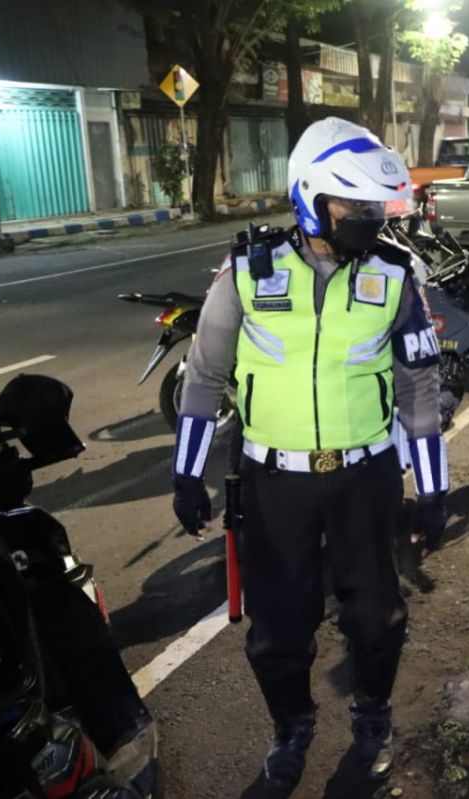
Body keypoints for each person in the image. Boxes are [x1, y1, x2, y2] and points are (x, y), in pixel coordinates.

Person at [170, 118, 448, 794]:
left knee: (377, 617)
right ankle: (291, 726)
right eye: (353, 207)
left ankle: (373, 713)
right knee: (279, 629)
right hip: (275, 485)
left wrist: (435, 485)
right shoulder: (246, 271)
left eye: (374, 208)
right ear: (312, 200)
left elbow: (418, 384)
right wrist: (186, 473)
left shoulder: (394, 275)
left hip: (365, 478)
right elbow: (204, 376)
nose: (367, 219)